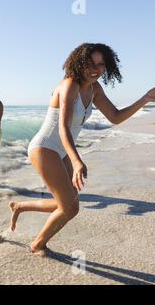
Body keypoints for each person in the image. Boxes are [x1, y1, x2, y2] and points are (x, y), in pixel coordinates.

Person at [9, 43, 155, 256]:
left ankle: (20, 206)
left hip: (62, 151)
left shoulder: (95, 89)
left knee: (68, 203)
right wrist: (77, 161)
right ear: (79, 63)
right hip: (44, 148)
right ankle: (37, 244)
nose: (95, 69)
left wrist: (145, 99)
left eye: (100, 64)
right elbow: (63, 129)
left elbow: (115, 117)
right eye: (90, 63)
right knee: (70, 208)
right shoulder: (69, 86)